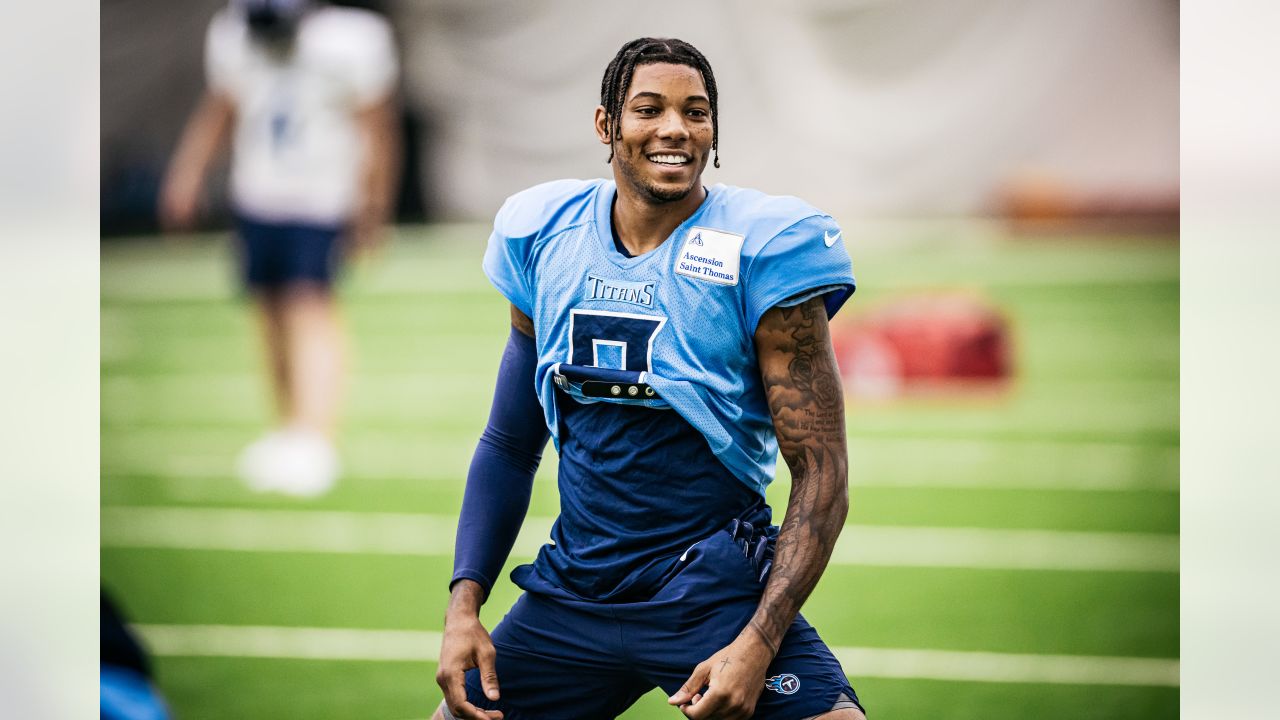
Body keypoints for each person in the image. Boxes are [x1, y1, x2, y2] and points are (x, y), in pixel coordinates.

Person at [435, 38, 865, 720]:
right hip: (572, 593)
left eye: (696, 112)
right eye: (649, 109)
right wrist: (465, 609)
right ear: (606, 125)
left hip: (708, 589)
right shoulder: (544, 235)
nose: (674, 128)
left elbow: (822, 469)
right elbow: (511, 442)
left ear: (714, 132)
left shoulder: (763, 246)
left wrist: (758, 642)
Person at [159, 0, 400, 496]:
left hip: (320, 196)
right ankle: (287, 429)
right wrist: (189, 173)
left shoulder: (354, 39)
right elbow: (221, 107)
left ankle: (316, 436)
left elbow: (376, 129)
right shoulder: (234, 30)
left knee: (310, 308)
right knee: (267, 312)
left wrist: (373, 205)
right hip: (258, 192)